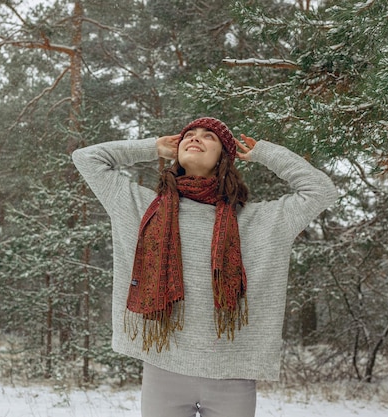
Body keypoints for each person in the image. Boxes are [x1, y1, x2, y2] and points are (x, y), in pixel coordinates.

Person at [72, 117, 337, 417]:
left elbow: (320, 190)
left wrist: (264, 153)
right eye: (189, 134)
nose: (195, 138)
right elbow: (87, 159)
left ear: (225, 156)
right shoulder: (140, 206)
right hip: (163, 367)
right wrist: (153, 147)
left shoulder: (260, 221)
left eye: (208, 136)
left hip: (232, 376)